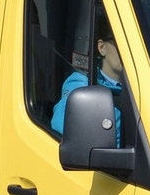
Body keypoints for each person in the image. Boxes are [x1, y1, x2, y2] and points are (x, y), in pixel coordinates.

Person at [51, 9, 123, 138]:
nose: (127, 52)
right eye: (120, 43)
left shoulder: (143, 88)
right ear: (102, 48)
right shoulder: (84, 83)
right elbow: (61, 123)